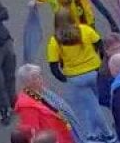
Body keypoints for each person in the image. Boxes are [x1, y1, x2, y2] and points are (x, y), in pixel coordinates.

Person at [44, 11, 113, 142]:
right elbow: (100, 44)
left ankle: (107, 133)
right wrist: (102, 62)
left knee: (92, 106)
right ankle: (98, 131)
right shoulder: (85, 30)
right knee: (100, 101)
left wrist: (63, 77)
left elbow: (53, 65)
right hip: (94, 70)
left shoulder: (55, 40)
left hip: (76, 77)